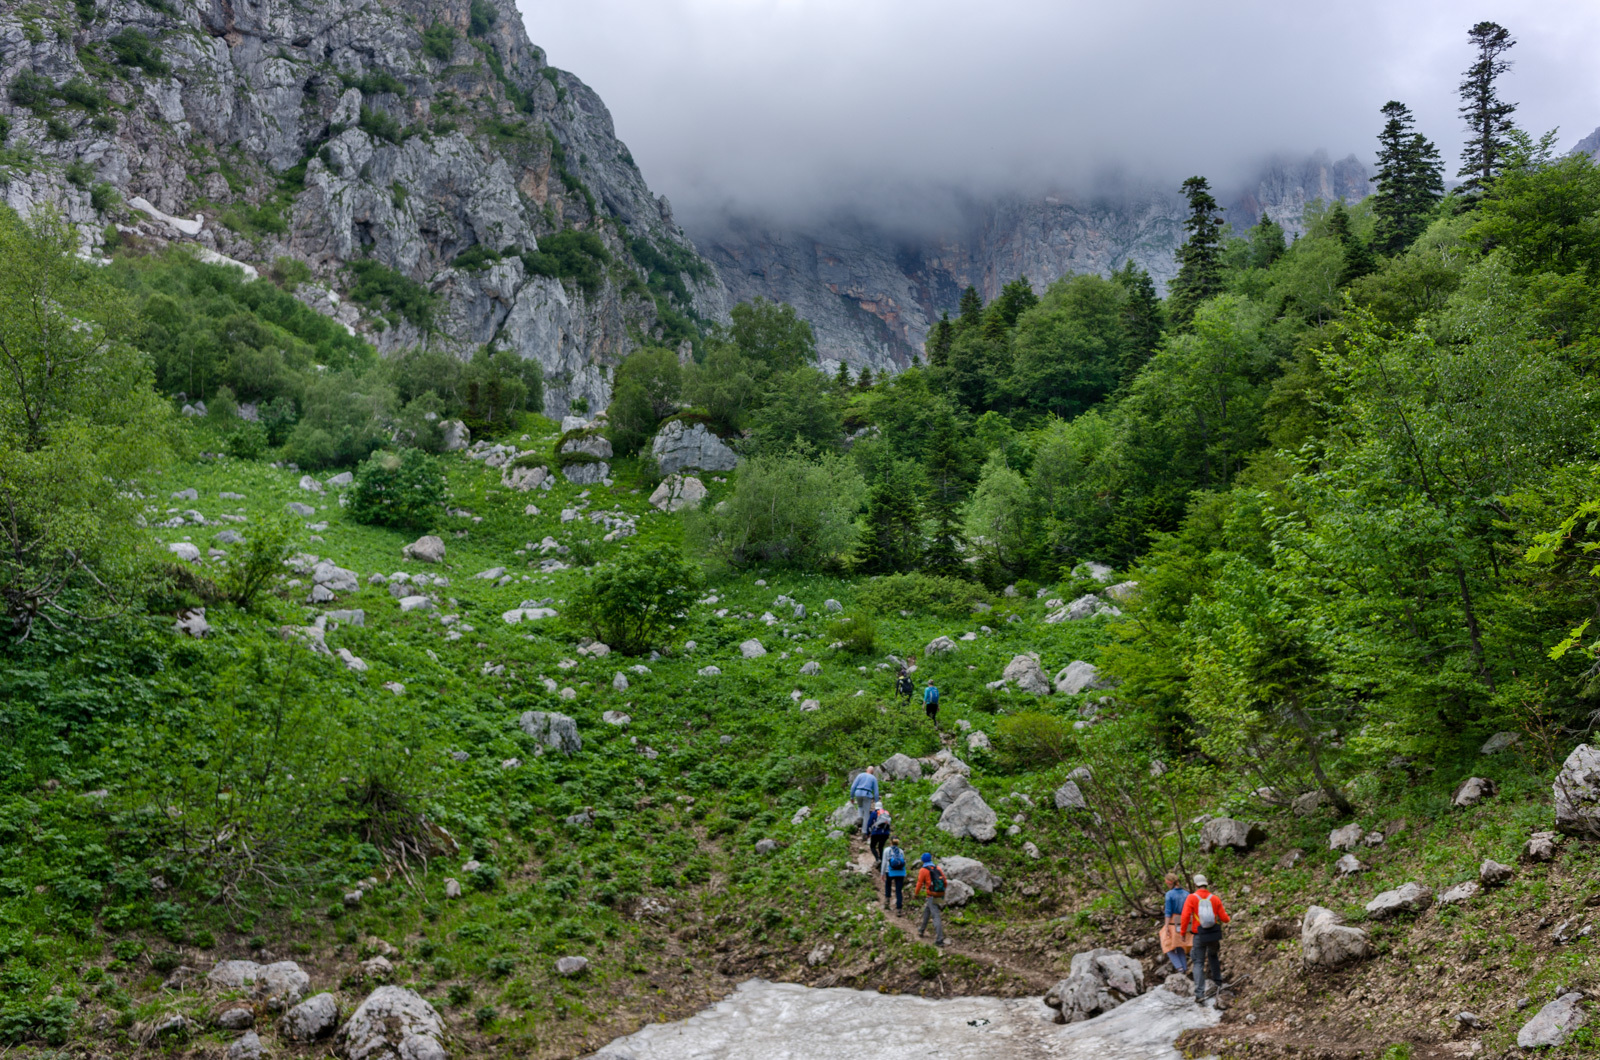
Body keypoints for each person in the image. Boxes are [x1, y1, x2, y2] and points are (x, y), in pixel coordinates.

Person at [1180, 873, 1231, 1003]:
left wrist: (1182, 933)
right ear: (1206, 884)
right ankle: (1218, 982)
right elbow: (1225, 919)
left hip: (1198, 934)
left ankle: (1200, 994)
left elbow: (1185, 916)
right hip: (1213, 934)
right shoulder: (1214, 898)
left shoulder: (1192, 898)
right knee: (1213, 956)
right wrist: (1227, 918)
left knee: (1198, 962)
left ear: (1196, 885)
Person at [1160, 872, 1191, 974]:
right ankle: (1184, 968)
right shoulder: (1186, 894)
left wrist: (1167, 926)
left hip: (1173, 922)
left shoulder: (1169, 894)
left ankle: (1179, 967)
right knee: (1180, 945)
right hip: (1185, 922)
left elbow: (1168, 912)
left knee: (1167, 944)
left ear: (1170, 883)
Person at [913, 852, 946, 946]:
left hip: (931, 895)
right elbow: (945, 881)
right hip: (940, 894)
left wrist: (916, 894)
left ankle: (940, 940)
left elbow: (919, 883)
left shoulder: (923, 870)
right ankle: (921, 930)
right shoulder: (937, 868)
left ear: (923, 860)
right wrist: (941, 892)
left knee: (936, 916)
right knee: (927, 911)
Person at [881, 836, 908, 913]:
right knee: (898, 890)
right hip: (900, 872)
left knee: (888, 884)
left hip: (889, 871)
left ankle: (887, 900)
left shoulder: (886, 850)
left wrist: (882, 873)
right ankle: (899, 909)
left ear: (890, 842)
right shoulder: (901, 851)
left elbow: (884, 862)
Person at [849, 767, 879, 832]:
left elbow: (853, 786)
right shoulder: (873, 778)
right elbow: (876, 792)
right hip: (867, 794)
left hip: (858, 793)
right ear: (872, 772)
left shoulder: (860, 775)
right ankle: (864, 831)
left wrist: (852, 797)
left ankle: (860, 817)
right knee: (866, 813)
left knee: (860, 806)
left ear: (866, 770)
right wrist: (877, 803)